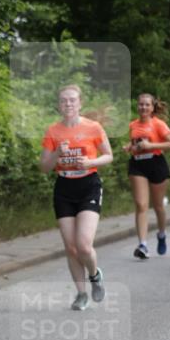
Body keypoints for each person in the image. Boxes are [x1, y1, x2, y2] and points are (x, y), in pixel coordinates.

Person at [40, 84, 113, 310]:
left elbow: (108, 156)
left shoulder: (93, 127)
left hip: (88, 185)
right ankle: (81, 294)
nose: (68, 104)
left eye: (72, 100)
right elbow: (44, 167)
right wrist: (56, 153)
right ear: (58, 105)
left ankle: (95, 275)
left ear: (80, 103)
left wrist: (91, 162)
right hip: (64, 188)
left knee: (83, 245)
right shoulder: (53, 131)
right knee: (71, 248)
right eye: (64, 101)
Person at [123, 93, 170, 258]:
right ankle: (143, 245)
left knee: (158, 206)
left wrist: (150, 145)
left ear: (152, 108)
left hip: (156, 164)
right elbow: (136, 143)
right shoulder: (133, 125)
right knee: (141, 205)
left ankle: (161, 234)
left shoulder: (159, 124)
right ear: (137, 106)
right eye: (141, 104)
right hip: (137, 165)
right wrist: (129, 147)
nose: (143, 107)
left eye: (147, 105)